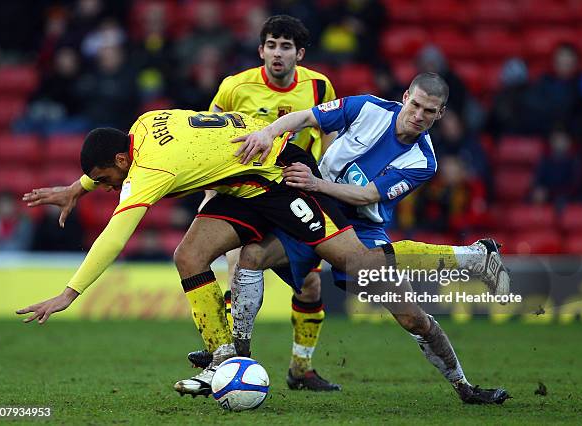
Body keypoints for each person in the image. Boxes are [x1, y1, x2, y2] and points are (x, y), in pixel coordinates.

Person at [16, 108, 403, 398]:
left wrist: (69, 294)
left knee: (357, 266)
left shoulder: (151, 170)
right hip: (244, 187)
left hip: (282, 175)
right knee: (189, 256)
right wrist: (78, 187)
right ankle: (222, 359)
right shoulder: (144, 123)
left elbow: (113, 238)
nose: (105, 188)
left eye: (104, 180)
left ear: (121, 161)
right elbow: (117, 157)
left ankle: (457, 260)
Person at [218, 72, 510, 404]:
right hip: (314, 209)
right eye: (415, 105)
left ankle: (464, 387)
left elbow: (368, 195)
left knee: (413, 317)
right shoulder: (367, 107)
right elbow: (307, 116)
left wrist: (316, 183)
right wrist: (269, 132)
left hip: (361, 228)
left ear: (440, 114)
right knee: (251, 257)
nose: (418, 115)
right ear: (405, 97)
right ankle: (237, 356)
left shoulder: (423, 161)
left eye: (429, 111)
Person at [195, 14, 339, 391]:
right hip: (243, 194)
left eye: (286, 47)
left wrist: (323, 183)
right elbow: (210, 141)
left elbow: (330, 133)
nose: (278, 54)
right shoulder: (233, 87)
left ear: (300, 54)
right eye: (271, 45)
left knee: (309, 285)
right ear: (260, 50)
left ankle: (301, 369)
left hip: (293, 195)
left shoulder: (318, 87)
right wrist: (209, 195)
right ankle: (226, 357)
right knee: (237, 263)